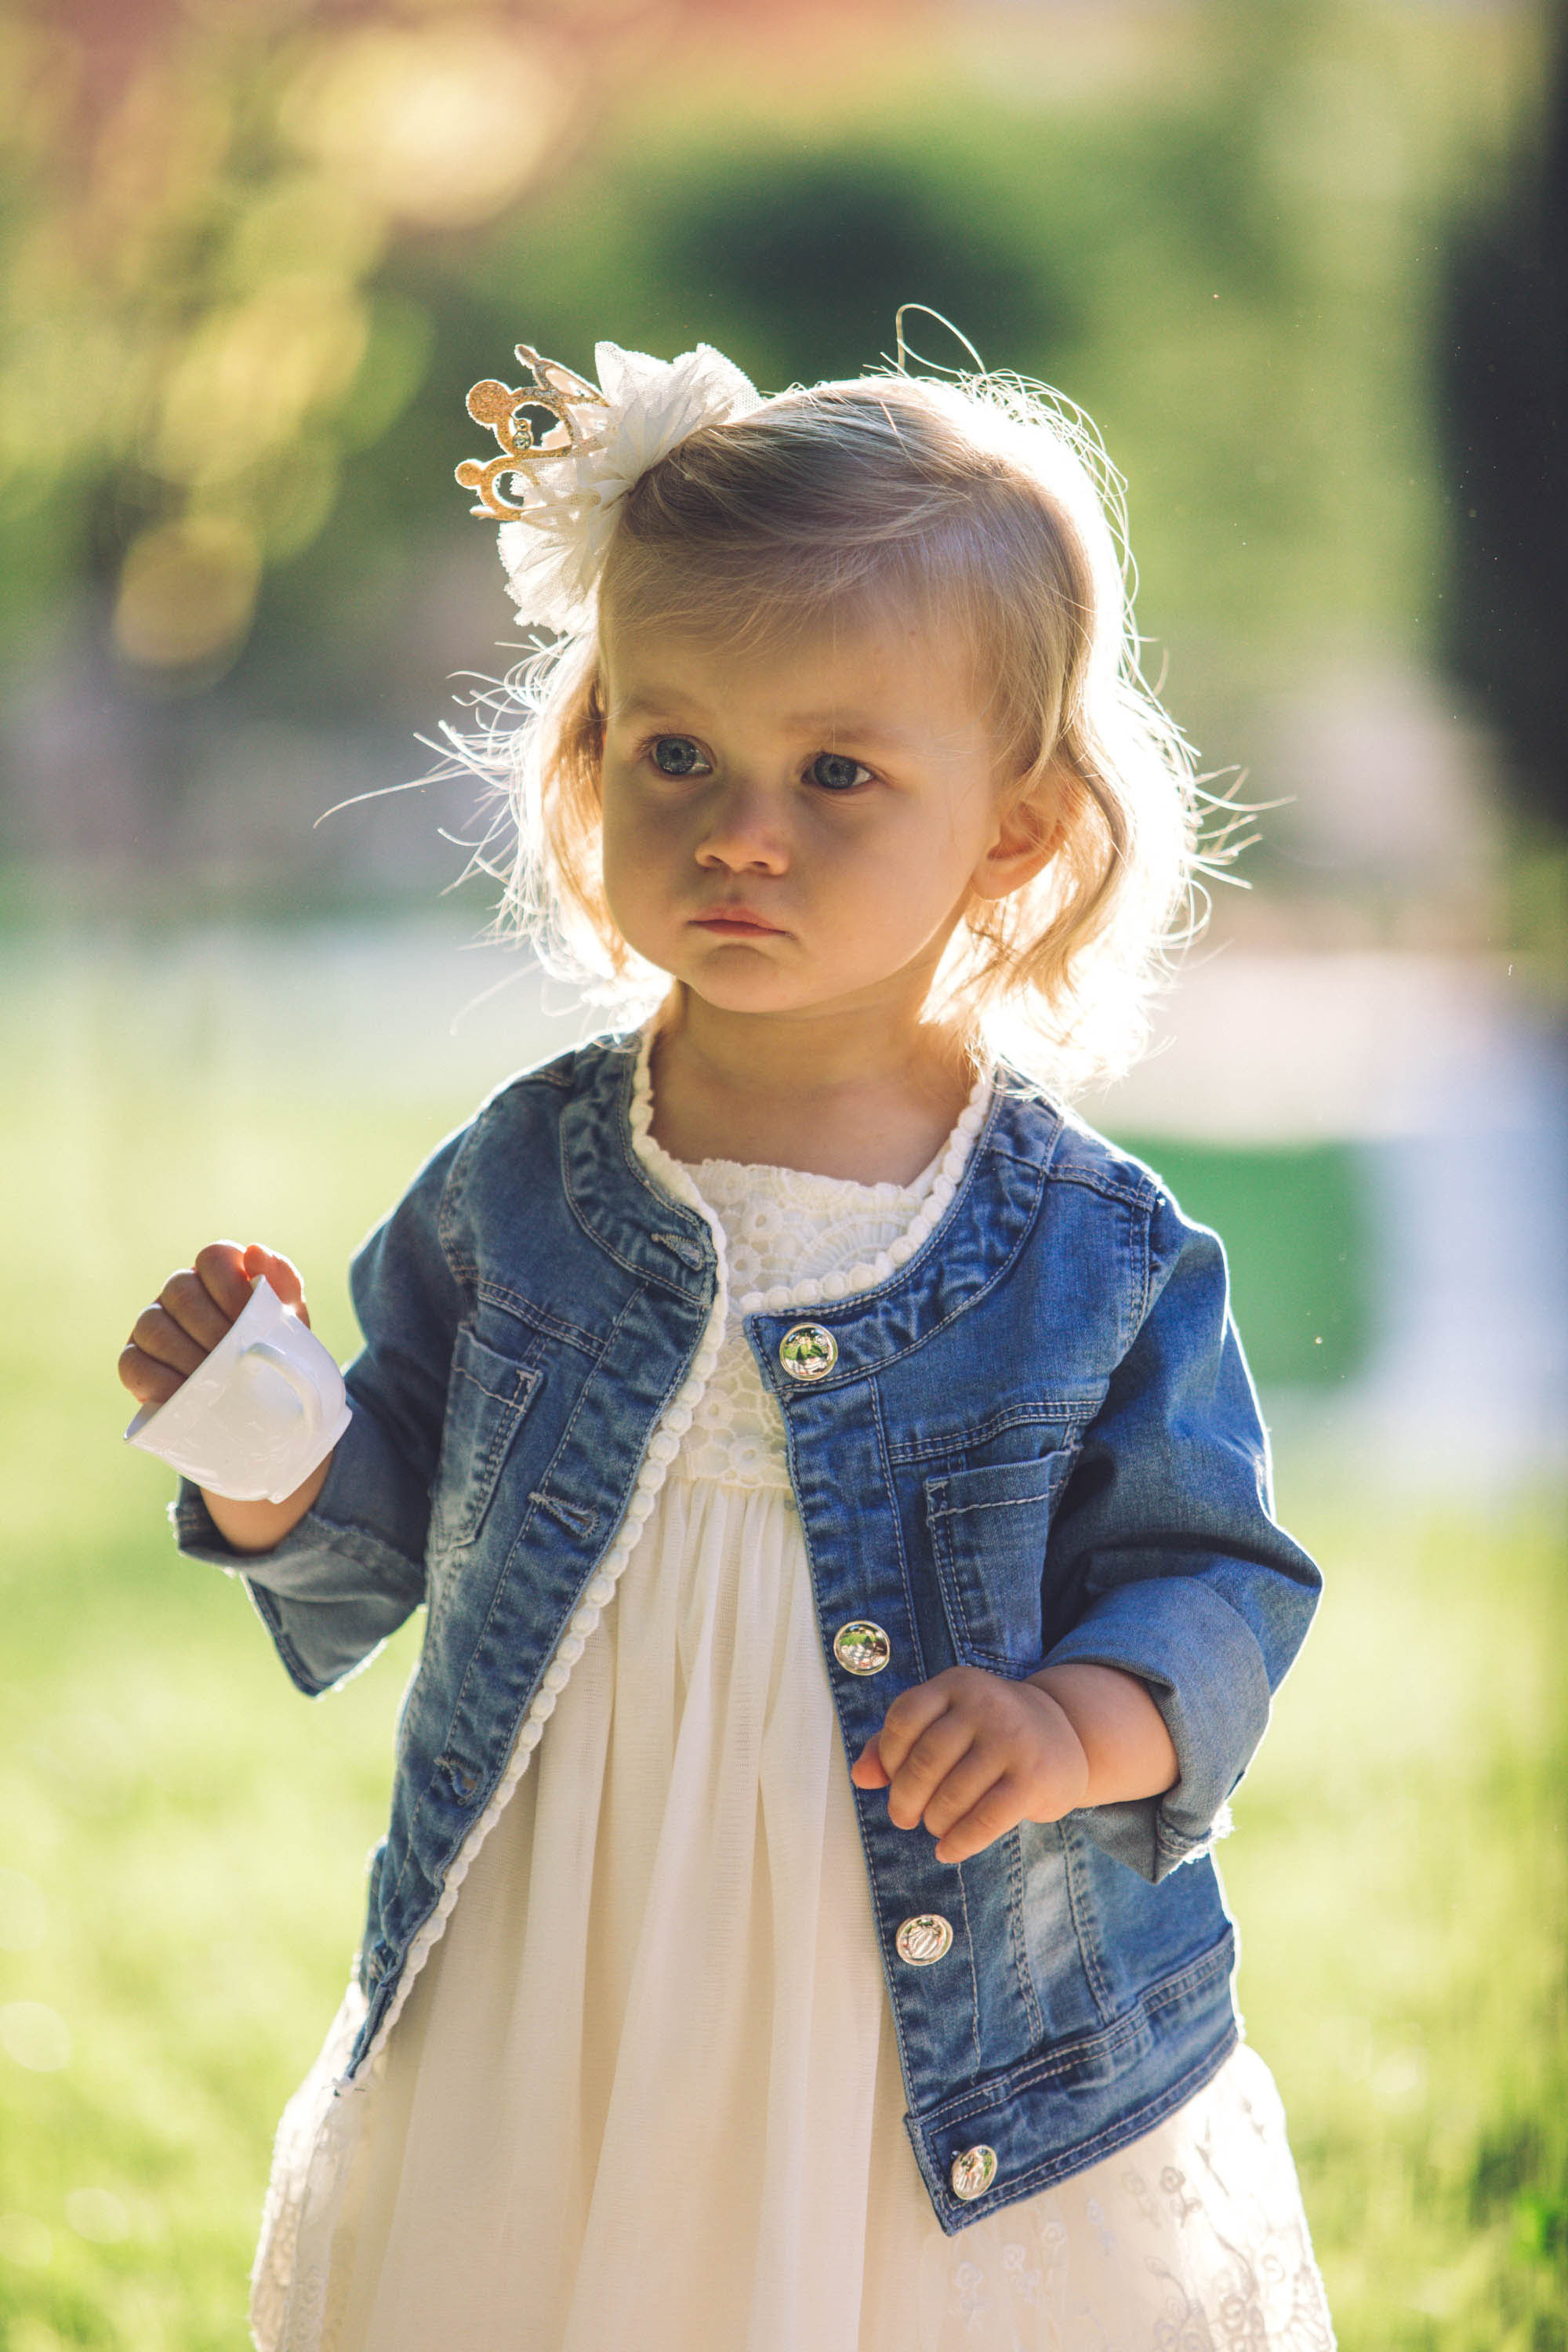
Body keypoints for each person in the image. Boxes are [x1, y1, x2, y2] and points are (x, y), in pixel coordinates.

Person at [118, 333, 1337, 2350]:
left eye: (835, 773)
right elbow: (391, 1517)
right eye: (677, 754)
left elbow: (1212, 1585)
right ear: (590, 761)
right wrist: (266, 1438)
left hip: (913, 1998)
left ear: (1015, 834)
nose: (742, 829)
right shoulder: (528, 1180)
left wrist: (1067, 1728)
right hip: (568, 1949)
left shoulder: (1089, 1251)